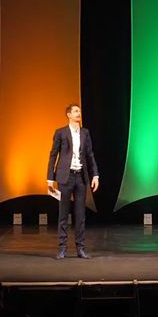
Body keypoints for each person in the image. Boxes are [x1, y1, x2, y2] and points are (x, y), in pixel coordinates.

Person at [47, 104, 99, 259]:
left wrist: (95, 175)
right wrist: (50, 178)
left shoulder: (85, 133)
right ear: (68, 115)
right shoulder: (61, 132)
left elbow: (90, 155)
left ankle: (80, 248)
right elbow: (53, 155)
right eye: (75, 111)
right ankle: (62, 248)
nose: (79, 113)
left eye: (79, 111)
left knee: (80, 214)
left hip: (80, 177)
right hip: (65, 177)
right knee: (63, 214)